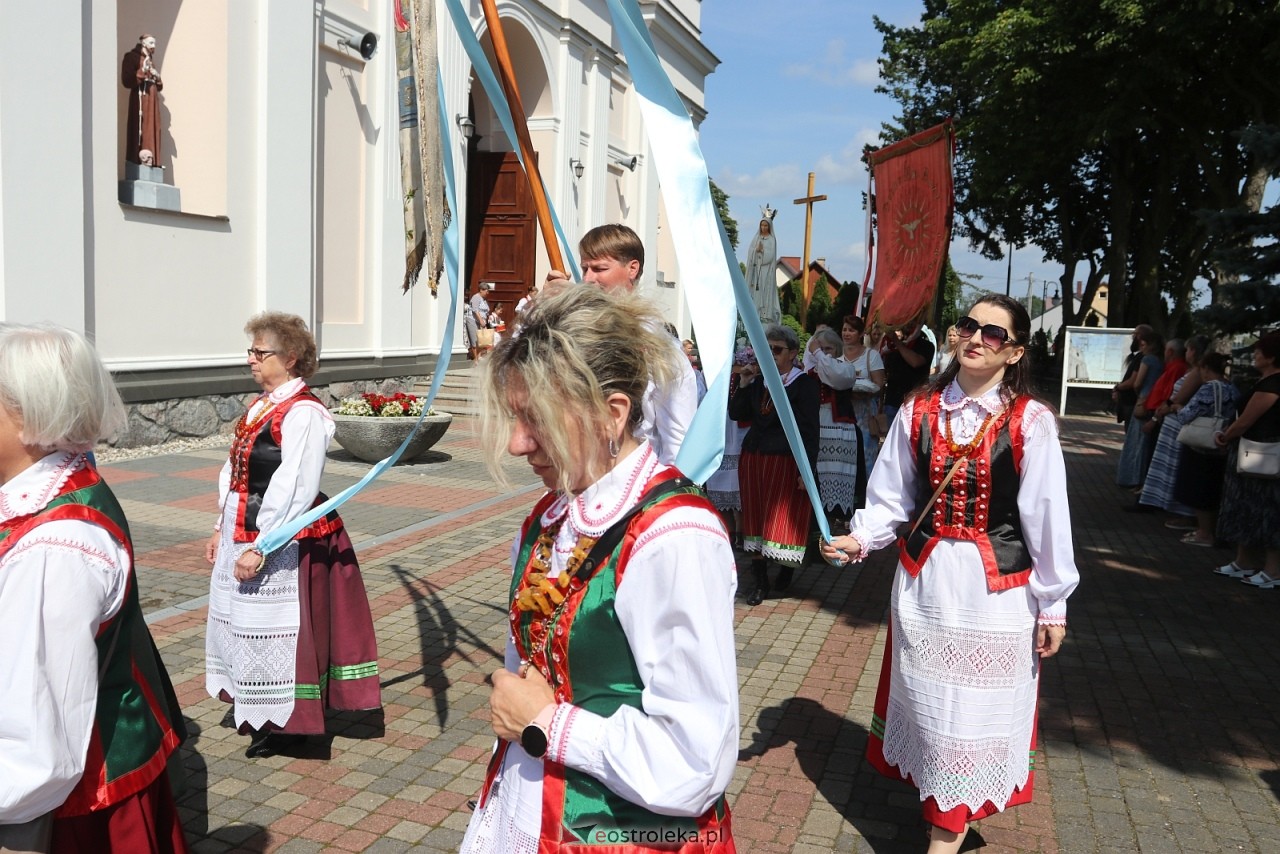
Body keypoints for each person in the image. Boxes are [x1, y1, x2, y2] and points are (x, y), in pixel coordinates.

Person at [462, 285, 738, 852]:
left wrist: (548, 726)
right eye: (516, 418)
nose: (517, 444)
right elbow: (530, 679)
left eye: (536, 419)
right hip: (530, 806)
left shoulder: (673, 537)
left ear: (613, 413)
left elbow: (695, 759)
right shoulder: (550, 517)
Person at [822, 295, 1079, 854]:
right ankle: (946, 808)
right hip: (926, 584)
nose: (977, 338)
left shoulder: (1030, 421)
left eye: (994, 333)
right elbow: (891, 496)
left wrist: (1054, 602)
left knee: (974, 714)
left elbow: (1047, 516)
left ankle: (947, 827)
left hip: (997, 593)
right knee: (932, 706)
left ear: (1013, 352)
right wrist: (859, 537)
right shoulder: (919, 408)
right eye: (969, 325)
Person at [0, 323, 188, 852]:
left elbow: (34, 744)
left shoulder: (56, 545)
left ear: (30, 415)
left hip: (67, 805)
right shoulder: (51, 493)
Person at [205, 312, 380, 758]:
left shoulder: (303, 413)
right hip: (241, 532)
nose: (251, 360)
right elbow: (237, 473)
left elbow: (296, 486)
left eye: (260, 353)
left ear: (292, 358)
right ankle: (259, 708)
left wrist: (262, 546)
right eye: (251, 351)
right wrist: (220, 528)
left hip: (284, 539)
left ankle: (292, 724)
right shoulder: (261, 407)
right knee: (243, 625)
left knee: (284, 629)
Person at [546, 224, 698, 464]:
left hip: (635, 475)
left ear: (632, 269)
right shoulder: (570, 327)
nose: (587, 279)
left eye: (599, 269)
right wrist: (547, 311)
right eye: (585, 268)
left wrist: (668, 490)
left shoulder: (657, 342)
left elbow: (679, 435)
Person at [730, 323, 820, 606]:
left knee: (782, 519)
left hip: (784, 459)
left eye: (777, 350)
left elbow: (809, 430)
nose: (771, 355)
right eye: (766, 350)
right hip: (754, 457)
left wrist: (806, 471)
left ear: (793, 353)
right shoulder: (758, 381)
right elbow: (736, 414)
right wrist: (743, 384)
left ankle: (784, 570)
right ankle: (760, 582)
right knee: (755, 517)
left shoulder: (803, 384)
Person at [1211, 331, 1280, 587]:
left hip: (1263, 454)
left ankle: (1273, 570)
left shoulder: (1272, 385)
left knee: (1266, 511)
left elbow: (1246, 420)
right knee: (1243, 507)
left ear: (1272, 356)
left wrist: (1226, 435)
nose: (1254, 354)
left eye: (1259, 351)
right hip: (1250, 453)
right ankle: (1244, 560)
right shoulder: (1264, 381)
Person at [804, 322, 883, 526]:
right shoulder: (810, 373)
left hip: (840, 432)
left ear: (837, 351)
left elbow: (836, 377)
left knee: (839, 480)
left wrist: (819, 354)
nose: (823, 353)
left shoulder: (845, 369)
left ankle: (839, 526)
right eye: (820, 348)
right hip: (817, 431)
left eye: (828, 349)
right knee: (818, 479)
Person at [1170, 352, 1238, 547]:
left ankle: (1204, 532)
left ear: (1205, 368)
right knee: (1214, 488)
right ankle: (1212, 530)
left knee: (1199, 488)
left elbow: (1186, 415)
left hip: (1201, 445)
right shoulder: (1231, 388)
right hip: (1222, 444)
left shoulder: (1208, 389)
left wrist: (1177, 407)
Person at [1114, 328, 1164, 488]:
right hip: (1153, 402)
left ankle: (1131, 477)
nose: (1141, 347)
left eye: (1143, 344)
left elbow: (1137, 382)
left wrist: (1137, 392)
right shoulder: (1160, 360)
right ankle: (1139, 478)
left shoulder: (1147, 359)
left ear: (1149, 345)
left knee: (1135, 442)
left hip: (1143, 401)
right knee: (1144, 443)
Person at [880, 316, 936, 425]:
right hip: (892, 402)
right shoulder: (892, 347)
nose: (909, 324)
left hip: (915, 403)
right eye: (906, 321)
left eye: (914, 321)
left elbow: (915, 362)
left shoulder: (927, 346)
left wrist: (896, 341)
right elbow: (885, 375)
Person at [122, 35, 164, 167]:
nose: (154, 46)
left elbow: (159, 86)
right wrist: (142, 71)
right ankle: (140, 159)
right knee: (142, 128)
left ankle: (152, 161)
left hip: (151, 101)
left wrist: (157, 77)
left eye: (155, 43)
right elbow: (127, 80)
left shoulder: (150, 60)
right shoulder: (132, 57)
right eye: (151, 43)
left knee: (152, 128)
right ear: (143, 43)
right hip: (141, 99)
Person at [746, 216, 780, 323]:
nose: (763, 227)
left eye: (766, 225)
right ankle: (753, 313)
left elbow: (770, 256)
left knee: (763, 292)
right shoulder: (756, 238)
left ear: (769, 227)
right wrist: (756, 250)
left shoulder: (771, 239)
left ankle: (763, 314)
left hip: (765, 271)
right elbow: (750, 252)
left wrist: (762, 251)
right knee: (755, 292)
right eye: (762, 225)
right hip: (755, 271)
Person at [467, 282, 494, 360]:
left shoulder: (483, 299)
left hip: (481, 322)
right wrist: (481, 320)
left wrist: (487, 318)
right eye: (486, 291)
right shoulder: (476, 297)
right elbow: (475, 310)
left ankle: (479, 356)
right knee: (475, 339)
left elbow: (485, 311)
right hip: (473, 320)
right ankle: (475, 358)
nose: (487, 293)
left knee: (483, 340)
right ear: (481, 290)